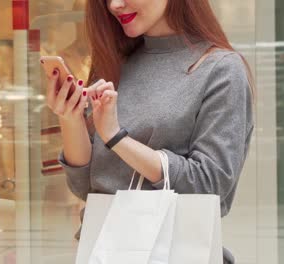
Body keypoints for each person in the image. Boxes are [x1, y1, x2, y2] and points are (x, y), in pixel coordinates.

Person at [45, 0, 254, 263]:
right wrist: (70, 117)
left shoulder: (221, 69)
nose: (115, 5)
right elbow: (86, 186)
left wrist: (116, 138)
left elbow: (210, 184)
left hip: (176, 252)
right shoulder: (114, 63)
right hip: (104, 249)